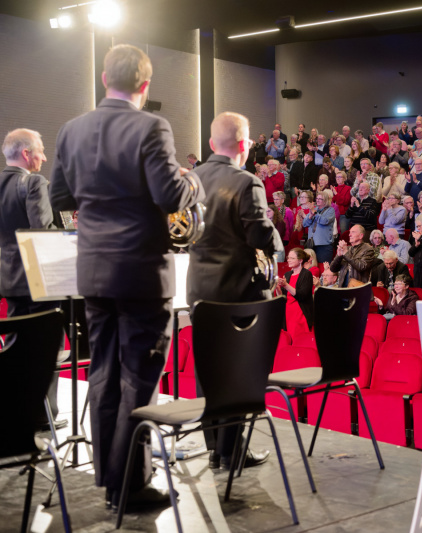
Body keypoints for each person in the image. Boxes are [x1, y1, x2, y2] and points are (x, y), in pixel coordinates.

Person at [49, 44, 204, 508]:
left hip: (93, 271)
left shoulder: (71, 129)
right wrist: (192, 181)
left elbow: (59, 195)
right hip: (139, 271)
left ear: (102, 78)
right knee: (138, 377)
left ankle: (111, 480)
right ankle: (128, 484)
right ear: (146, 84)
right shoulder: (151, 126)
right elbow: (171, 195)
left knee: (102, 372)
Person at [185, 111, 280, 472]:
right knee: (239, 373)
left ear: (211, 144)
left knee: (208, 372)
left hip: (199, 291)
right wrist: (273, 233)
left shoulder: (192, 178)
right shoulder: (246, 182)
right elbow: (260, 237)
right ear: (245, 145)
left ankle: (217, 449)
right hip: (239, 293)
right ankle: (232, 450)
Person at [0, 128, 66, 429]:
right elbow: (43, 232)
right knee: (43, 346)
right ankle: (43, 414)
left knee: (15, 346)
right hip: (38, 281)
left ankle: (16, 410)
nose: (44, 156)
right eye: (39, 150)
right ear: (26, 154)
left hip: (8, 281)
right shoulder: (35, 181)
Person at [276, 248, 314, 339]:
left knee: (300, 340)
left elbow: (302, 295)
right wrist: (277, 288)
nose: (288, 260)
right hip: (287, 313)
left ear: (300, 260)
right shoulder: (287, 274)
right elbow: (282, 297)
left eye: (292, 258)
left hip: (299, 314)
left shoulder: (307, 274)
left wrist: (285, 285)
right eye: (288, 257)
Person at [303, 188, 337, 263]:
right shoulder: (315, 209)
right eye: (317, 198)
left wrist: (314, 213)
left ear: (325, 201)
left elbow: (325, 221)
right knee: (311, 267)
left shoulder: (330, 210)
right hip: (312, 245)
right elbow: (304, 224)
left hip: (324, 246)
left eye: (320, 199)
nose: (317, 200)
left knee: (323, 267)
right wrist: (310, 216)